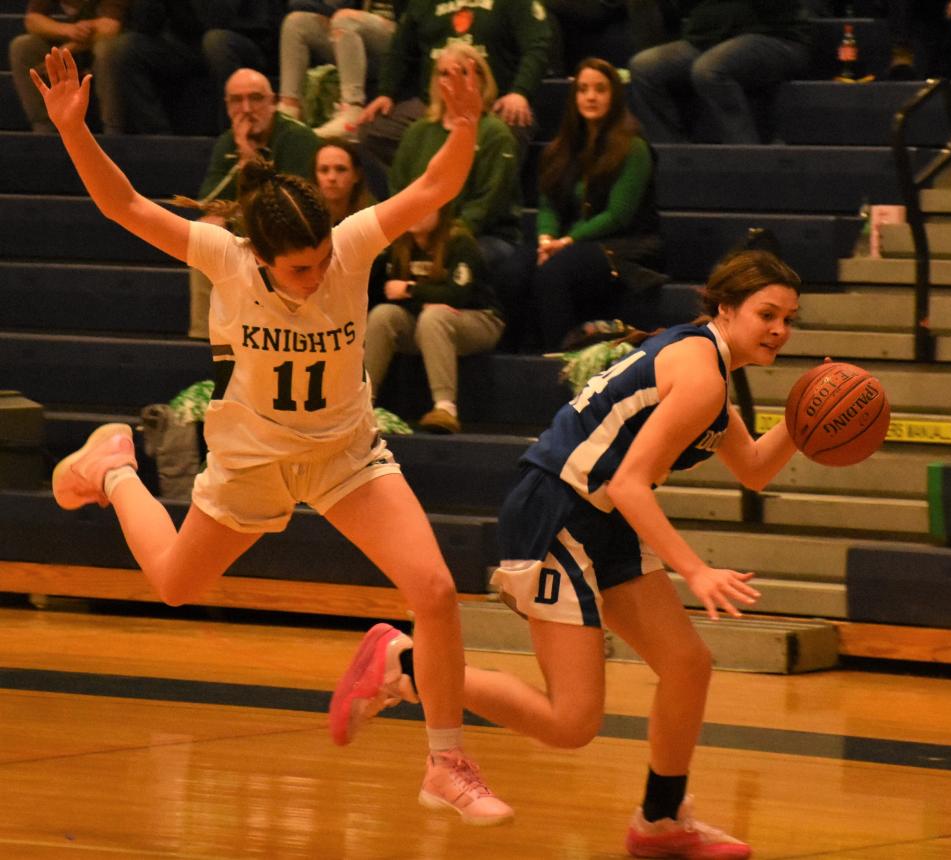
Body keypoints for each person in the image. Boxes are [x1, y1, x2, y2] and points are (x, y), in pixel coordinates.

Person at [33, 45, 513, 826]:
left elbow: (434, 185)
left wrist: (462, 126)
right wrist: (74, 132)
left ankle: (446, 761)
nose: (316, 273)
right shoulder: (224, 258)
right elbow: (123, 205)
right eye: (298, 268)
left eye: (321, 257)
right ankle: (116, 465)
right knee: (176, 587)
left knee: (433, 591)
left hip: (344, 455)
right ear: (260, 258)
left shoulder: (349, 247)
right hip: (252, 461)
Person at [335, 247, 804, 857]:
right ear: (725, 308)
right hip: (559, 511)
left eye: (789, 320)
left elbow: (755, 469)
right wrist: (694, 569)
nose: (779, 330)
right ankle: (404, 662)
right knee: (572, 724)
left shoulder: (708, 367)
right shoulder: (699, 373)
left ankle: (660, 822)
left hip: (598, 516)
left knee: (688, 664)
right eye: (768, 314)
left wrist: (804, 414)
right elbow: (630, 483)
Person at [515, 57, 663, 351]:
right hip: (570, 244)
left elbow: (619, 215)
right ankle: (522, 357)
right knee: (514, 270)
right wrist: (547, 239)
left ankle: (560, 358)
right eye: (583, 89)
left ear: (614, 95)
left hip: (626, 246)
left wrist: (567, 241)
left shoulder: (633, 147)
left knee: (554, 271)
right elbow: (548, 204)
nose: (591, 96)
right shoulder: (561, 148)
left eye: (600, 89)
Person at [185, 68, 321, 339]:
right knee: (205, 237)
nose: (247, 109)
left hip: (294, 231)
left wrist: (249, 160)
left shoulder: (297, 138)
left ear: (273, 101)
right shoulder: (227, 142)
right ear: (226, 106)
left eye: (256, 98)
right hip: (248, 228)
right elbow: (209, 203)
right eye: (237, 100)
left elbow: (293, 205)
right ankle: (207, 337)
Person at [357, 0, 553, 188]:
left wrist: (520, 92)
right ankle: (415, 198)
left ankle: (477, 203)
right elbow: (399, 49)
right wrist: (386, 92)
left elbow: (537, 46)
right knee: (372, 130)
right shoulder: (422, 3)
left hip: (492, 104)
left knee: (513, 124)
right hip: (433, 106)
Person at [365, 204, 505, 434]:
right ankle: (362, 403)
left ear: (441, 211)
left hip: (479, 319)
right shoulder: (399, 244)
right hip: (425, 322)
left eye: (425, 208)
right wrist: (425, 297)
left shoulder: (460, 242)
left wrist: (411, 290)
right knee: (383, 315)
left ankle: (445, 408)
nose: (415, 213)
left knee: (435, 316)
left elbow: (458, 295)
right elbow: (388, 292)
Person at [388, 43, 523, 275]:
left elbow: (488, 204)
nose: (451, 80)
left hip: (483, 236)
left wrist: (445, 240)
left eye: (461, 72)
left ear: (480, 79)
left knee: (457, 260)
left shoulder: (494, 133)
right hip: (419, 235)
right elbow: (398, 189)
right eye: (443, 74)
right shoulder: (417, 132)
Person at [628, 0, 811, 144]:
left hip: (775, 35)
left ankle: (745, 156)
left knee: (710, 69)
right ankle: (672, 155)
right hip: (709, 39)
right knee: (644, 66)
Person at [104, 0, 284, 134]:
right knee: (125, 48)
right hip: (189, 44)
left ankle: (231, 140)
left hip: (245, 40)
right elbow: (144, 25)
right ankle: (159, 140)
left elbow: (218, 20)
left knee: (215, 42)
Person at [278, 0, 403, 138]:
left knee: (345, 19)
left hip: (400, 36)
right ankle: (289, 110)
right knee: (296, 22)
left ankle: (351, 108)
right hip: (356, 32)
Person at [8, 0, 128, 133]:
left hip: (119, 45)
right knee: (23, 47)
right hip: (78, 40)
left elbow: (110, 28)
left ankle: (114, 133)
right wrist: (68, 30)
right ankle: (47, 132)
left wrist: (67, 49)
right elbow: (32, 20)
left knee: (107, 50)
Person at [314, 137, 376, 224]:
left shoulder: (373, 218)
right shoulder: (303, 218)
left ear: (356, 175)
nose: (331, 178)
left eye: (341, 169)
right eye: (324, 170)